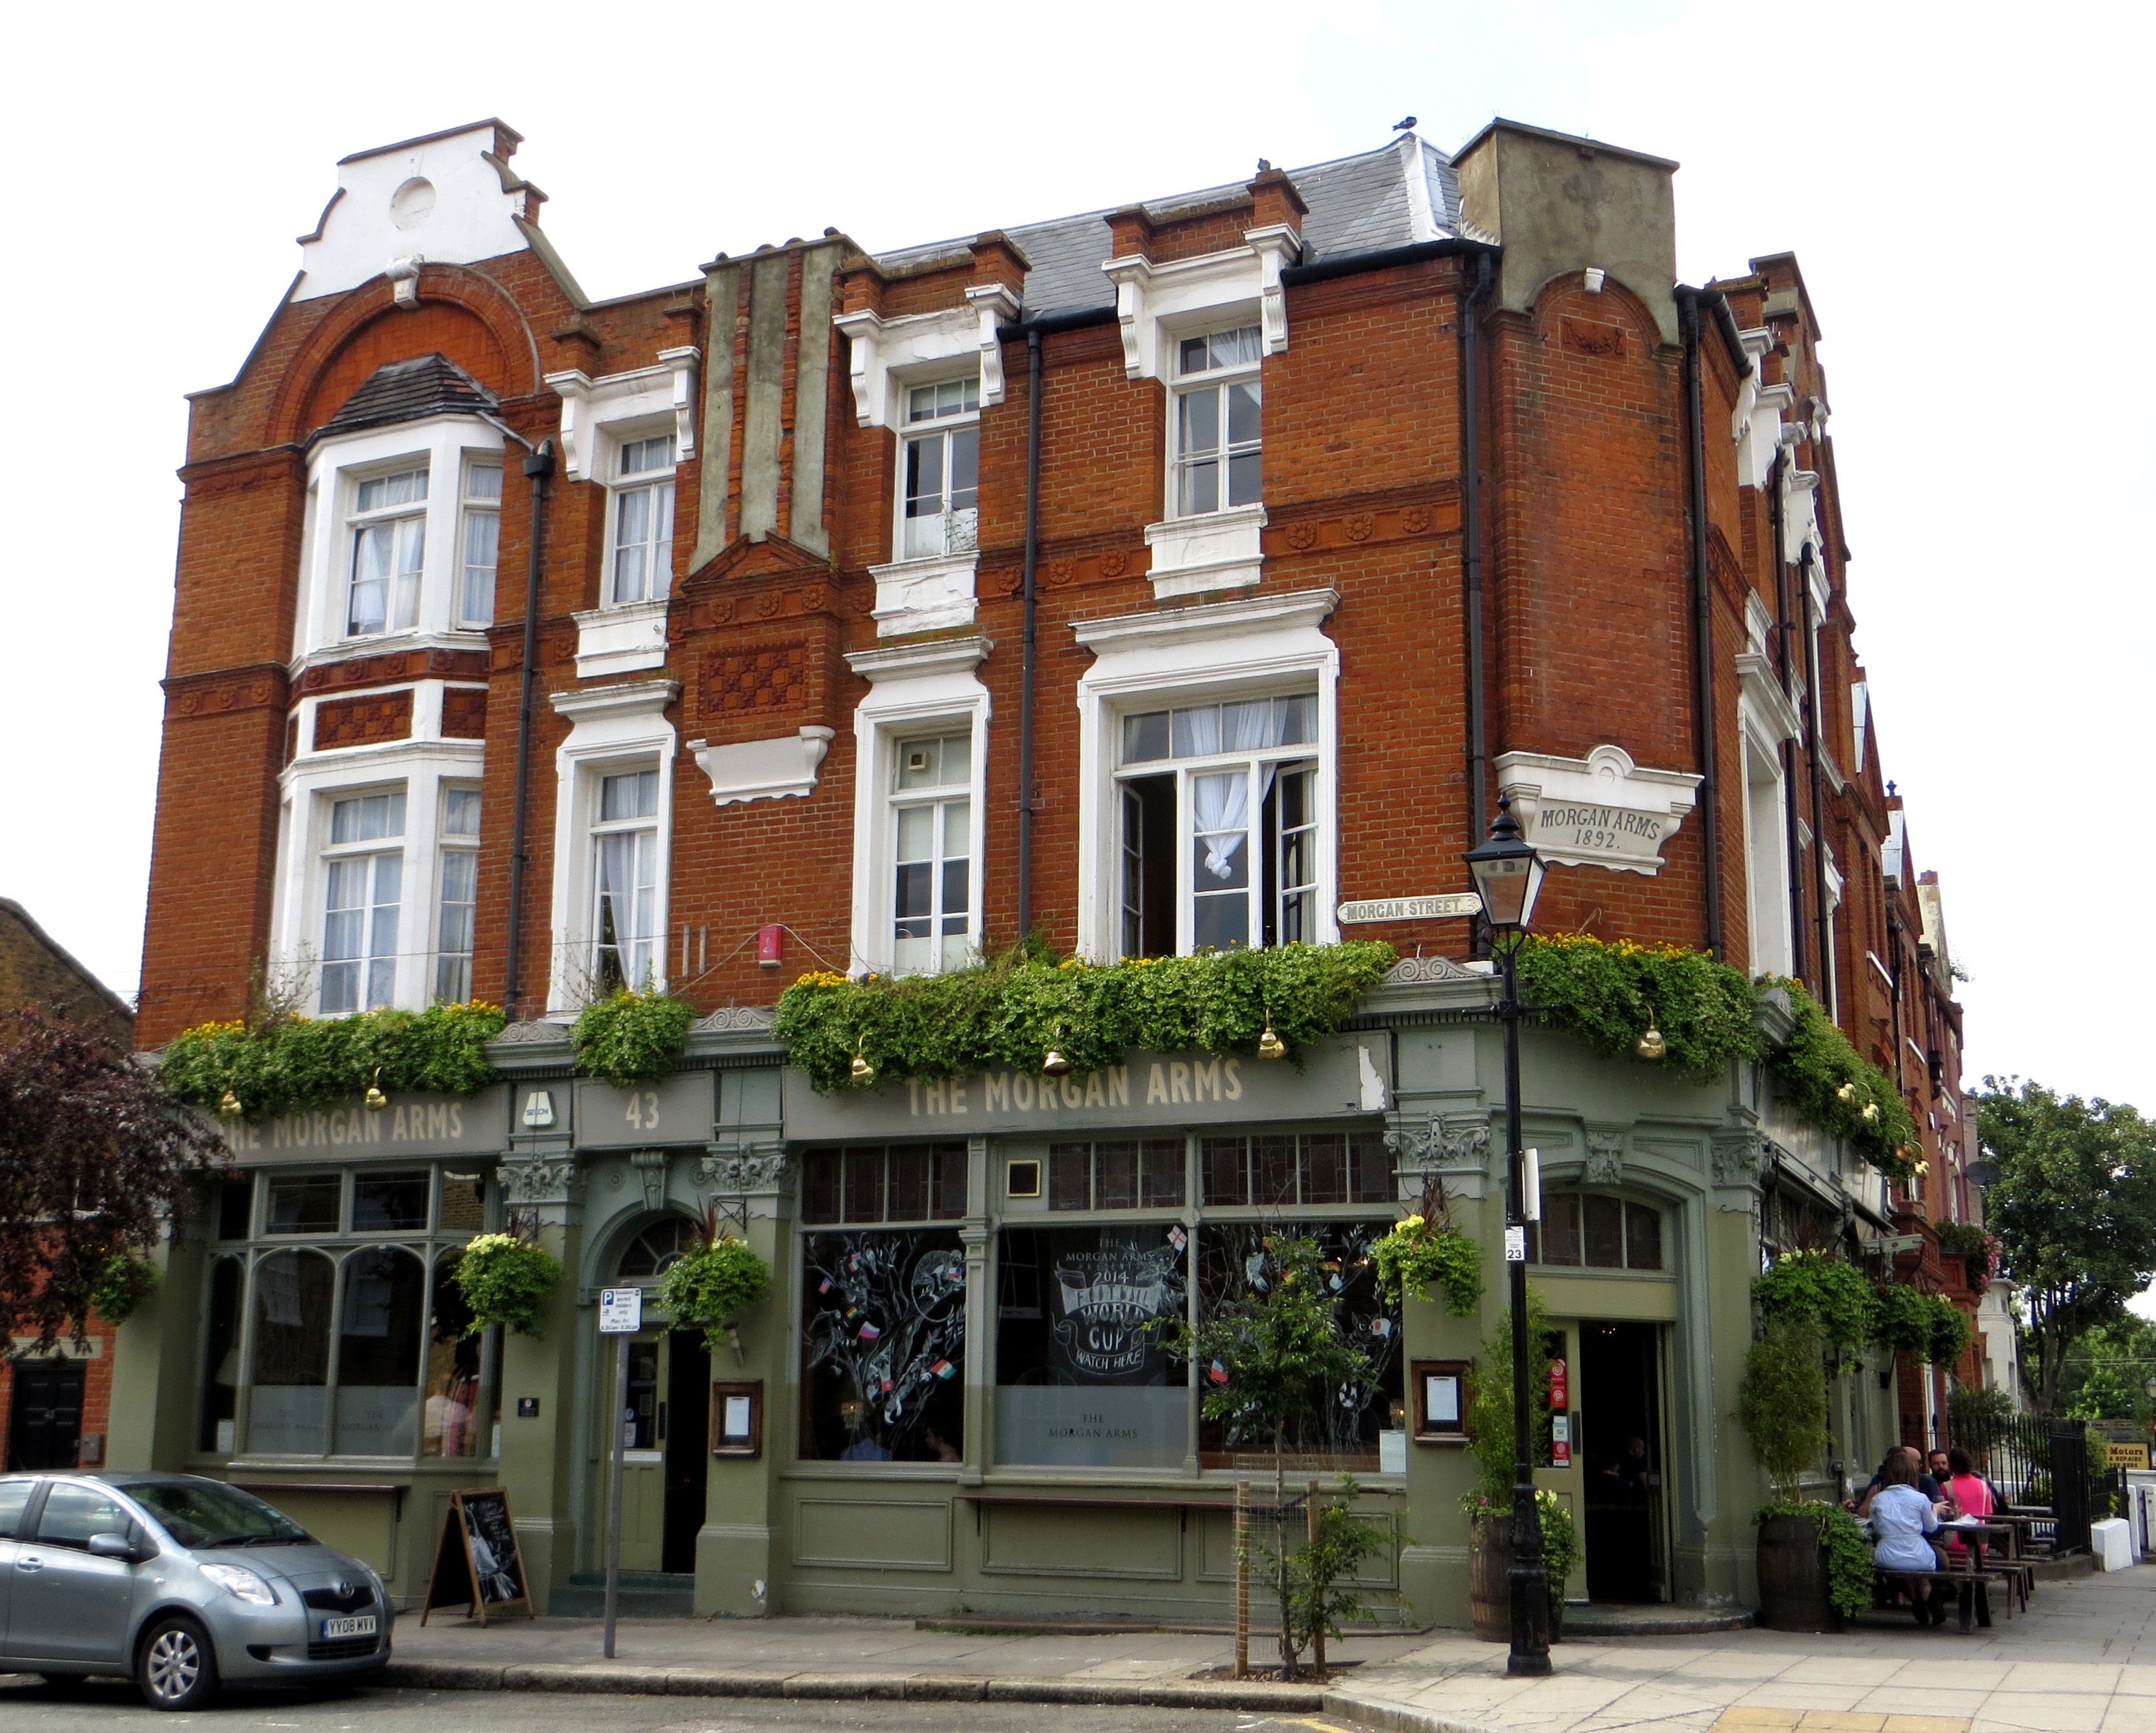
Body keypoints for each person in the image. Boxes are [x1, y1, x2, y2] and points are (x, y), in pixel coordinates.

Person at [1869, 1448, 1947, 1624]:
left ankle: (1917, 1601)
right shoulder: (1920, 1499)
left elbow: (1877, 1528)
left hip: (1888, 1555)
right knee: (1921, 1573)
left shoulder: (1878, 1499)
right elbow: (1931, 1527)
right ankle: (1930, 1601)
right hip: (1918, 1554)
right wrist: (1935, 1510)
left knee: (1903, 1569)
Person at [1849, 1445, 1941, 1515]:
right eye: (1919, 1462)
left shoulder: (1926, 1482)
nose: (1921, 1465)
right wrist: (1855, 1504)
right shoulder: (1879, 1481)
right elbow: (1863, 1506)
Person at [1943, 1446, 1995, 1558]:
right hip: (1981, 1540)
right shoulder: (1983, 1485)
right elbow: (1989, 1514)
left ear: (1950, 1465)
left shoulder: (1946, 1486)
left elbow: (1942, 1515)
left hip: (1955, 1539)